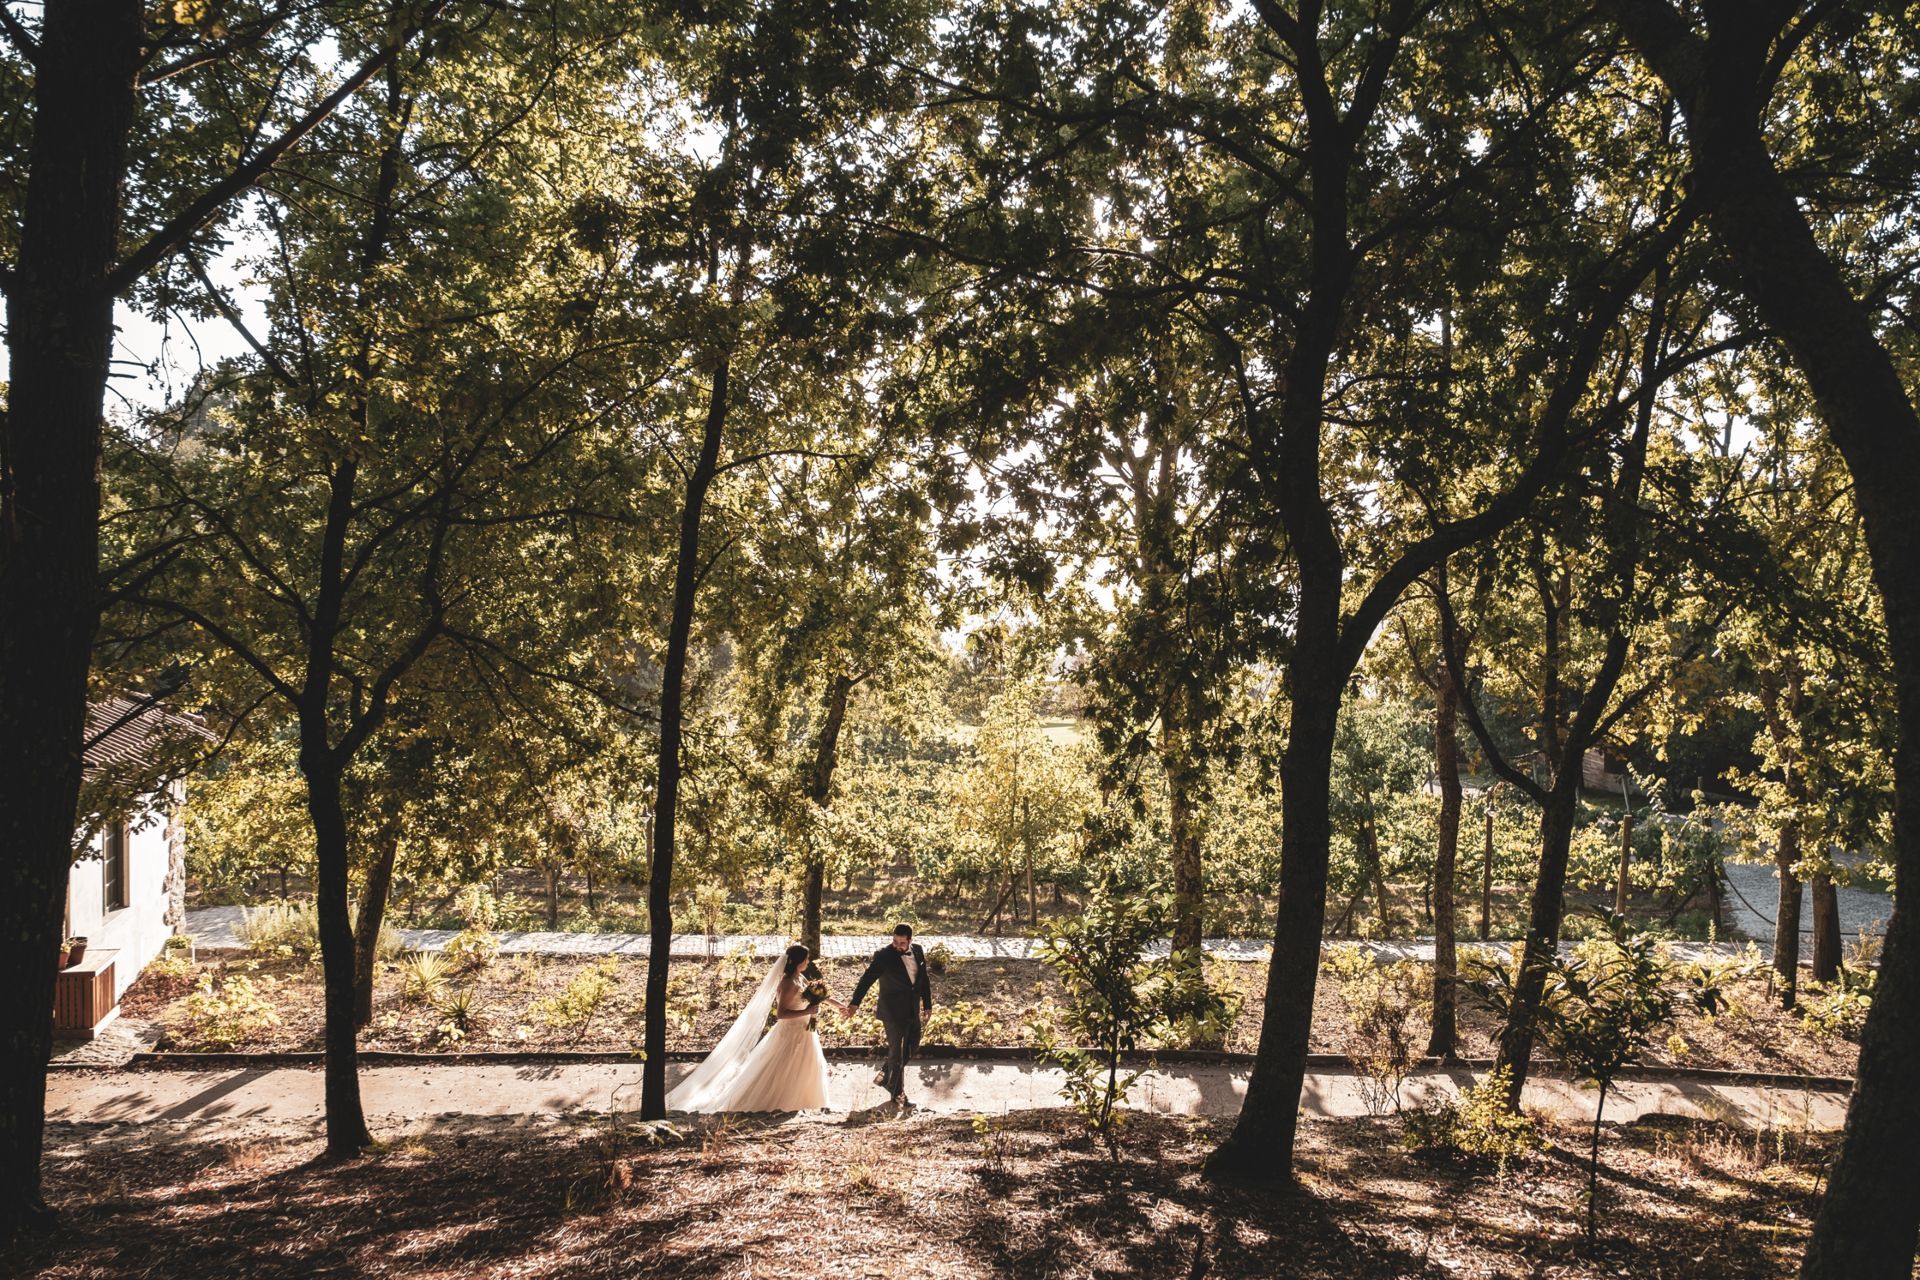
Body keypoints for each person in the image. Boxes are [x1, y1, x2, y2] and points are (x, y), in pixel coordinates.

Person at [666, 943, 829, 1113]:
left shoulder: (799, 978)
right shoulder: (788, 983)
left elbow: (816, 995)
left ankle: (802, 1101)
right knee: (783, 1068)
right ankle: (778, 1101)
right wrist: (806, 1011)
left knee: (803, 1067)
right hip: (790, 1033)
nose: (808, 962)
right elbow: (781, 1014)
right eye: (806, 959)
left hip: (804, 1031)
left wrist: (838, 1006)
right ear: (797, 961)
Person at [846, 923, 933, 1105]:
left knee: (913, 1046)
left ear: (910, 940)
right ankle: (897, 1093)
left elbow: (923, 979)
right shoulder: (884, 956)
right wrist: (855, 1003)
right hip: (892, 1011)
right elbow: (867, 979)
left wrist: (927, 1004)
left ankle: (886, 1075)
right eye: (895, 941)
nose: (897, 946)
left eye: (902, 943)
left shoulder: (918, 950)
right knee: (897, 1052)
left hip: (912, 1008)